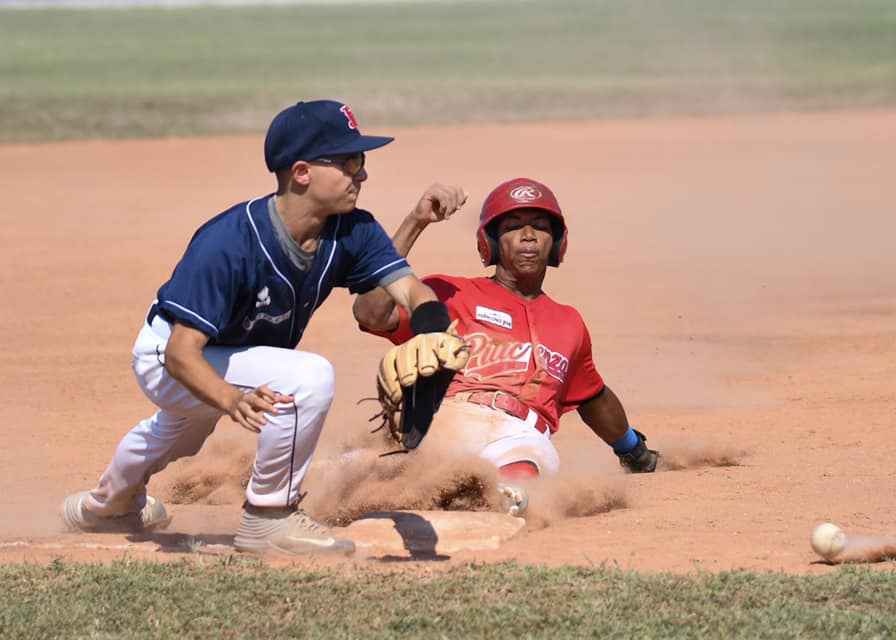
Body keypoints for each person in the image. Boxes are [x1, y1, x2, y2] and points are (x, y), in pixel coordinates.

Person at [61, 100, 469, 555]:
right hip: (169, 357)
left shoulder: (352, 230)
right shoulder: (228, 241)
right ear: (301, 173)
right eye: (349, 161)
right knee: (307, 377)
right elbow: (181, 352)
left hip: (228, 356)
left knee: (180, 435)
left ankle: (105, 506)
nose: (362, 173)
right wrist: (230, 399)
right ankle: (268, 517)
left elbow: (411, 292)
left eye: (363, 161)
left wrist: (432, 331)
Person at [353, 177, 658, 516]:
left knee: (526, 462)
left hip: (515, 434)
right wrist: (416, 221)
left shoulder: (568, 322)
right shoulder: (448, 291)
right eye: (513, 227)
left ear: (557, 242)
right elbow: (371, 312)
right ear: (491, 243)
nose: (528, 236)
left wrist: (633, 450)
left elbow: (592, 396)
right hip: (442, 416)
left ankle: (474, 498)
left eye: (540, 227)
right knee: (354, 471)